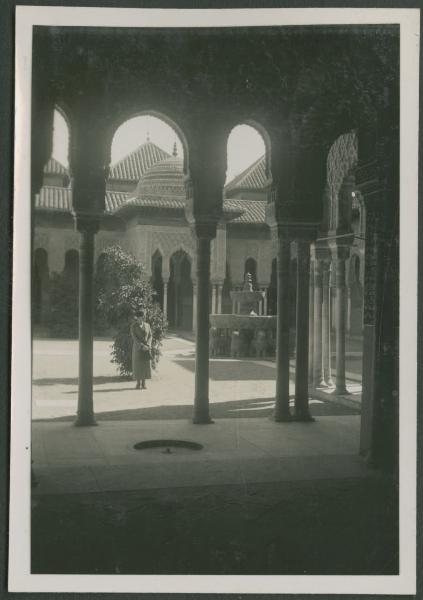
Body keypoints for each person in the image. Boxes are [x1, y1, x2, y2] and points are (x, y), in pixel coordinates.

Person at [130, 309, 152, 390]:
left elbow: (150, 336)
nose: (142, 318)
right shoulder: (133, 326)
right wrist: (142, 345)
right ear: (137, 317)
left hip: (146, 348)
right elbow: (134, 337)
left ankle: (144, 383)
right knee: (138, 365)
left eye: (143, 317)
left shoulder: (147, 325)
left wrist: (148, 345)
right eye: (140, 317)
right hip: (138, 348)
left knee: (145, 365)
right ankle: (138, 383)